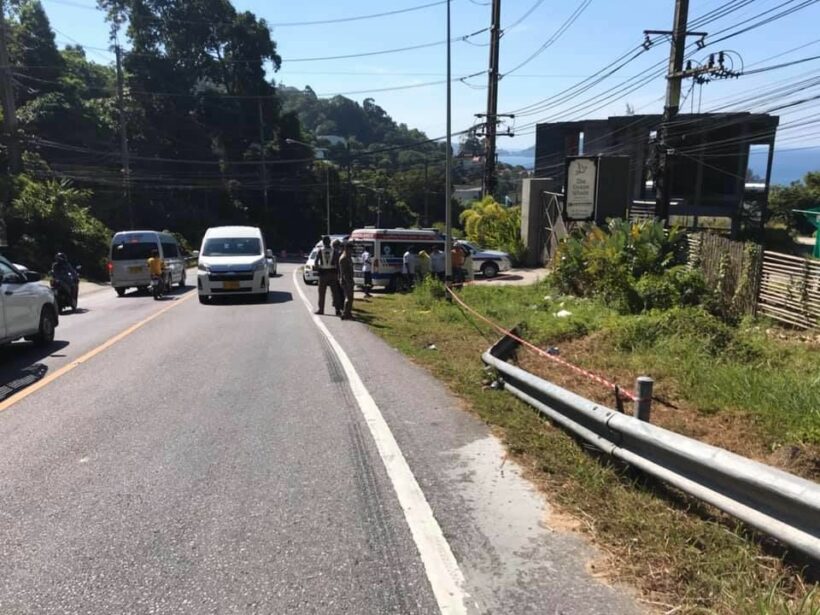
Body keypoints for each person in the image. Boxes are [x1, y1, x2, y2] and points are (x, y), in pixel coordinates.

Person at [315, 235, 339, 315]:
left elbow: (316, 262)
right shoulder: (334, 251)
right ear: (329, 242)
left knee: (321, 293)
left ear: (323, 242)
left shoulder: (320, 250)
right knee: (335, 293)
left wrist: (318, 269)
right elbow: (337, 263)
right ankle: (337, 310)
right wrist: (338, 273)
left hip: (323, 274)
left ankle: (321, 310)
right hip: (333, 273)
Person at [338, 242, 355, 320]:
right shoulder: (344, 258)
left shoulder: (348, 256)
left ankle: (348, 313)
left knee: (350, 298)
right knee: (348, 297)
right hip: (346, 281)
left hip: (349, 279)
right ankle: (345, 314)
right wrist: (349, 282)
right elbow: (344, 273)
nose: (352, 251)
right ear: (347, 248)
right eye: (351, 249)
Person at [331, 239, 344, 315]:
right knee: (340, 292)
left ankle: (337, 307)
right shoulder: (341, 253)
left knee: (335, 293)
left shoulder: (334, 254)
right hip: (339, 275)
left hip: (335, 275)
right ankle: (340, 307)